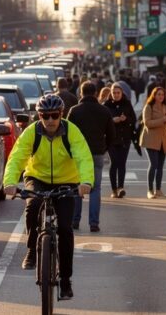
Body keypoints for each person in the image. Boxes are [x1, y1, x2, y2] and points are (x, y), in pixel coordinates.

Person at [3, 94, 94, 300]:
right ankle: (32, 250)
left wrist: (86, 182)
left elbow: (83, 156)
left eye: (55, 115)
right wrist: (9, 183)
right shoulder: (31, 132)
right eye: (46, 116)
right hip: (37, 177)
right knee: (33, 205)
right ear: (39, 116)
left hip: (66, 181)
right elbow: (17, 157)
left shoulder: (71, 131)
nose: (51, 120)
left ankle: (65, 281)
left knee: (64, 229)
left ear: (61, 114)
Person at [68, 82, 116, 232]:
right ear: (95, 93)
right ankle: (94, 223)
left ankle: (75, 221)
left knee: (77, 187)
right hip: (97, 152)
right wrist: (104, 148)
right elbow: (111, 135)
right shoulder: (104, 111)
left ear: (81, 94)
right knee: (95, 188)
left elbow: (67, 133)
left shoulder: (74, 111)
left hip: (78, 154)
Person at [104, 83, 136, 198]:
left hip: (124, 138)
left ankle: (120, 187)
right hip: (112, 139)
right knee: (114, 163)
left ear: (122, 93)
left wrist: (126, 119)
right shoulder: (106, 105)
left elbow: (133, 119)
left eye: (118, 93)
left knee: (122, 163)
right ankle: (113, 189)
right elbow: (103, 122)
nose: (116, 95)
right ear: (111, 94)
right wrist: (113, 120)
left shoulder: (127, 104)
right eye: (114, 93)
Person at [140, 87, 166, 199]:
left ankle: (158, 190)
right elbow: (147, 123)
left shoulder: (164, 107)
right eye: (158, 94)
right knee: (153, 164)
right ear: (154, 95)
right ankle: (150, 190)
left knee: (160, 166)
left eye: (162, 95)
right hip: (151, 140)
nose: (161, 96)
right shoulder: (148, 107)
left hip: (163, 140)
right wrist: (162, 120)